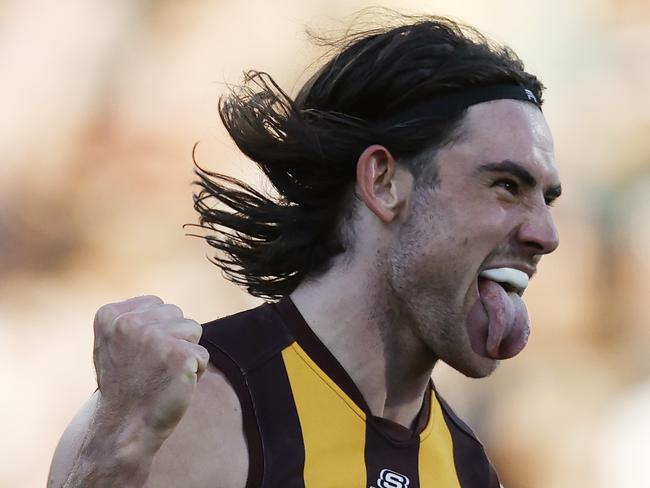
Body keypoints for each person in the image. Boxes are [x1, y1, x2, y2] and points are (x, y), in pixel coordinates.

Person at [48, 12, 562, 488]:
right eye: (506, 185)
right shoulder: (193, 413)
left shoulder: (467, 468)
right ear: (384, 183)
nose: (546, 234)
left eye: (547, 198)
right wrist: (118, 450)